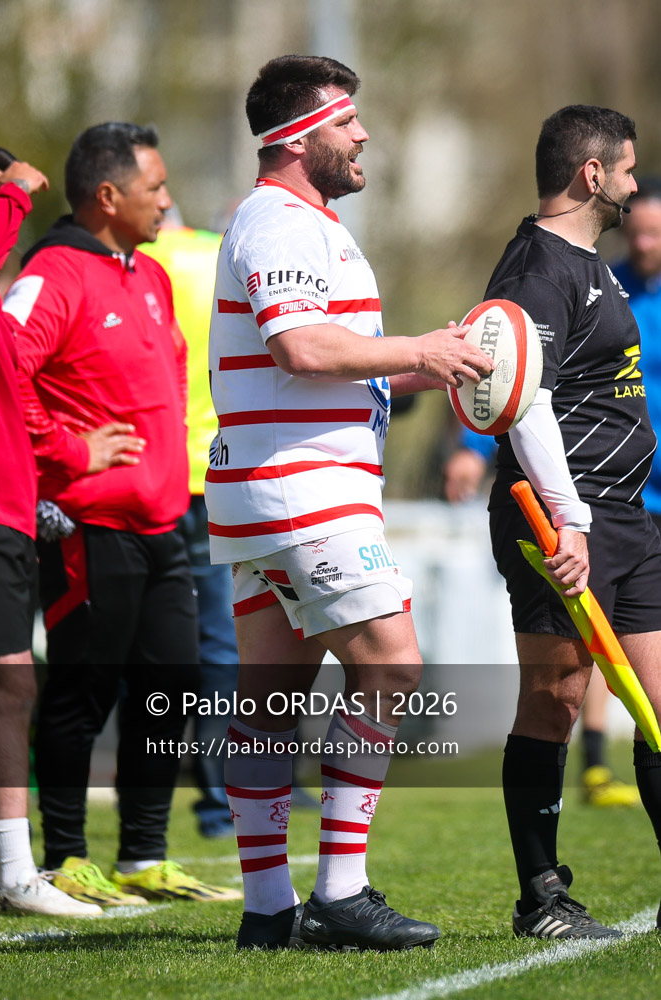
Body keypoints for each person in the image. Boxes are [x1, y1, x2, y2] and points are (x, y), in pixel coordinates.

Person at [206, 54, 494, 951]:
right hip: (303, 489)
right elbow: (298, 348)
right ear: (296, 140)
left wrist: (434, 359)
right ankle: (339, 891)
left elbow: (327, 366)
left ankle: (265, 911)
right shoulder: (282, 224)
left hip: (275, 485)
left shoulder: (304, 224)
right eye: (345, 122)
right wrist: (414, 346)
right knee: (394, 666)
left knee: (270, 699)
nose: (362, 133)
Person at [2, 123, 238, 907]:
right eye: (157, 187)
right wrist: (67, 450)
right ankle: (66, 856)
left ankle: (143, 854)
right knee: (80, 692)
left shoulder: (151, 274)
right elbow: (7, 371)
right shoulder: (54, 271)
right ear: (108, 196)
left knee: (171, 687)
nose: (168, 201)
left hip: (166, 523)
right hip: (85, 527)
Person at [484, 105, 661, 938]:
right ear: (591, 175)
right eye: (625, 168)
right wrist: (570, 520)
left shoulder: (589, 264)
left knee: (658, 710)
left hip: (627, 518)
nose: (633, 180)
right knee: (554, 699)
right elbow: (522, 407)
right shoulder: (535, 271)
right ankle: (540, 898)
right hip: (560, 523)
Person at [0, 148, 99, 917]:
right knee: (13, 684)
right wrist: (16, 195)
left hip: (8, 511)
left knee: (11, 685)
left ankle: (9, 869)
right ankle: (12, 871)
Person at [444, 430, 640, 807]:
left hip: (638, 493)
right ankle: (596, 765)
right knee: (590, 643)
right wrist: (473, 445)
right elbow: (521, 386)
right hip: (594, 495)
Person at [141, 217, 239, 838]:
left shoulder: (142, 261)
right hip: (214, 476)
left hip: (149, 472)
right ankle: (218, 798)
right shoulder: (224, 255)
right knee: (223, 648)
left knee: (148, 643)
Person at [612, 176, 661, 537]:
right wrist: (475, 447)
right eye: (635, 234)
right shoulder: (604, 287)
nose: (643, 244)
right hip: (623, 494)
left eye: (654, 234)